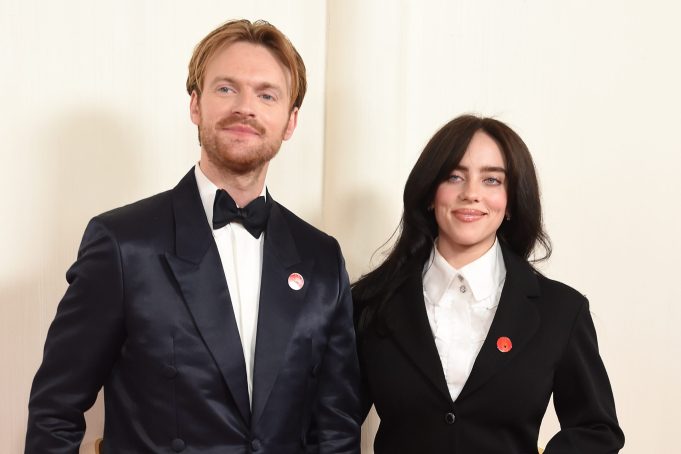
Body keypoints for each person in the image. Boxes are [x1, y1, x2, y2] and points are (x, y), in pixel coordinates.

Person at [26, 19, 361, 454]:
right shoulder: (123, 244)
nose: (246, 107)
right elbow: (55, 411)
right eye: (226, 89)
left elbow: (335, 429)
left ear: (290, 121)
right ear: (195, 105)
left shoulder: (321, 258)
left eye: (267, 95)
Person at [352, 115, 624, 453]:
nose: (471, 194)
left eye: (492, 180)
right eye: (454, 176)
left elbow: (597, 430)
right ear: (429, 194)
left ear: (510, 201)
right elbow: (334, 423)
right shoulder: (370, 302)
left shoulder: (561, 311)